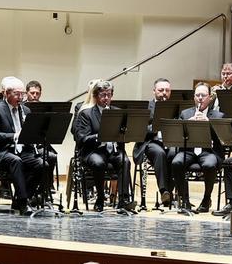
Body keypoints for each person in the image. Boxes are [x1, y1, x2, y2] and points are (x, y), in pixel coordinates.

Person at [0, 76, 47, 214]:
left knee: (42, 164)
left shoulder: (26, 110)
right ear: (6, 93)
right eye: (17, 94)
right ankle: (23, 203)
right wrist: (14, 136)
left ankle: (21, 198)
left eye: (22, 94)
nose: (21, 97)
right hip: (1, 152)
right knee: (16, 161)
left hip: (22, 150)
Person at [71, 80, 134, 213]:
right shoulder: (86, 114)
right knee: (99, 163)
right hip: (93, 151)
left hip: (113, 151)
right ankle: (100, 198)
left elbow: (126, 134)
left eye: (108, 95)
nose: (106, 98)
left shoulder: (118, 112)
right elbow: (81, 138)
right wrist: (100, 136)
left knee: (125, 161)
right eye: (103, 95)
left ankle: (123, 201)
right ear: (95, 96)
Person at [169, 83, 224, 213]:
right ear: (194, 97)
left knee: (210, 165)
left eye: (203, 95)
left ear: (210, 98)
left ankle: (206, 199)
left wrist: (208, 123)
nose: (200, 98)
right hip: (189, 151)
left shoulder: (218, 116)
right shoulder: (185, 113)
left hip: (208, 151)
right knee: (176, 162)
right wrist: (188, 125)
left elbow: (222, 138)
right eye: (197, 95)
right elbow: (178, 136)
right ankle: (184, 200)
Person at [135, 78, 174, 208]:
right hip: (150, 143)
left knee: (175, 155)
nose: (164, 93)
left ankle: (171, 193)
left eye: (167, 90)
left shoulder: (175, 107)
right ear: (154, 91)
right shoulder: (146, 107)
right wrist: (155, 128)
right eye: (161, 90)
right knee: (160, 153)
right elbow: (139, 129)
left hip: (170, 142)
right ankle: (164, 191)